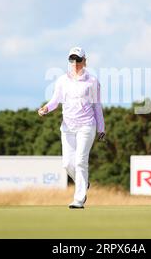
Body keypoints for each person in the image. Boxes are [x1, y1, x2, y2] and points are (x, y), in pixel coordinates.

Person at [38, 47, 106, 209]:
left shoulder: (92, 81)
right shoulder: (62, 80)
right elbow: (55, 100)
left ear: (85, 61)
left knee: (80, 161)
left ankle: (79, 199)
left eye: (78, 59)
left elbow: (97, 106)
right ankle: (84, 183)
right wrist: (46, 108)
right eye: (72, 60)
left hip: (86, 126)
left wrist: (101, 128)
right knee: (68, 164)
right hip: (67, 127)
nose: (75, 63)